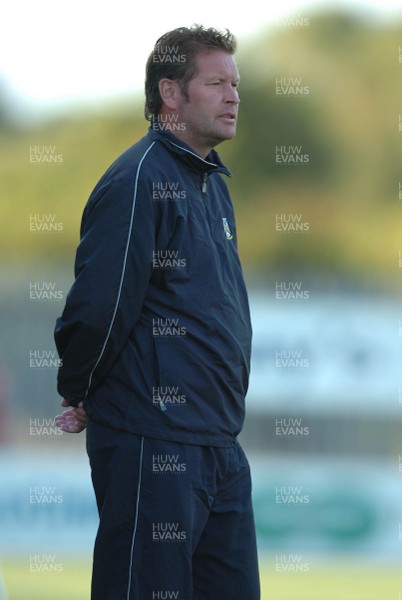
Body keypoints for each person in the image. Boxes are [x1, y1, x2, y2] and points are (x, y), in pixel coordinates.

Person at [54, 24, 260, 600]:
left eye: (235, 84)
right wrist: (80, 388)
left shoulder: (212, 182)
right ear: (171, 93)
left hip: (219, 446)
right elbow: (100, 305)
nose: (234, 96)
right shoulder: (139, 178)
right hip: (155, 443)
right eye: (216, 83)